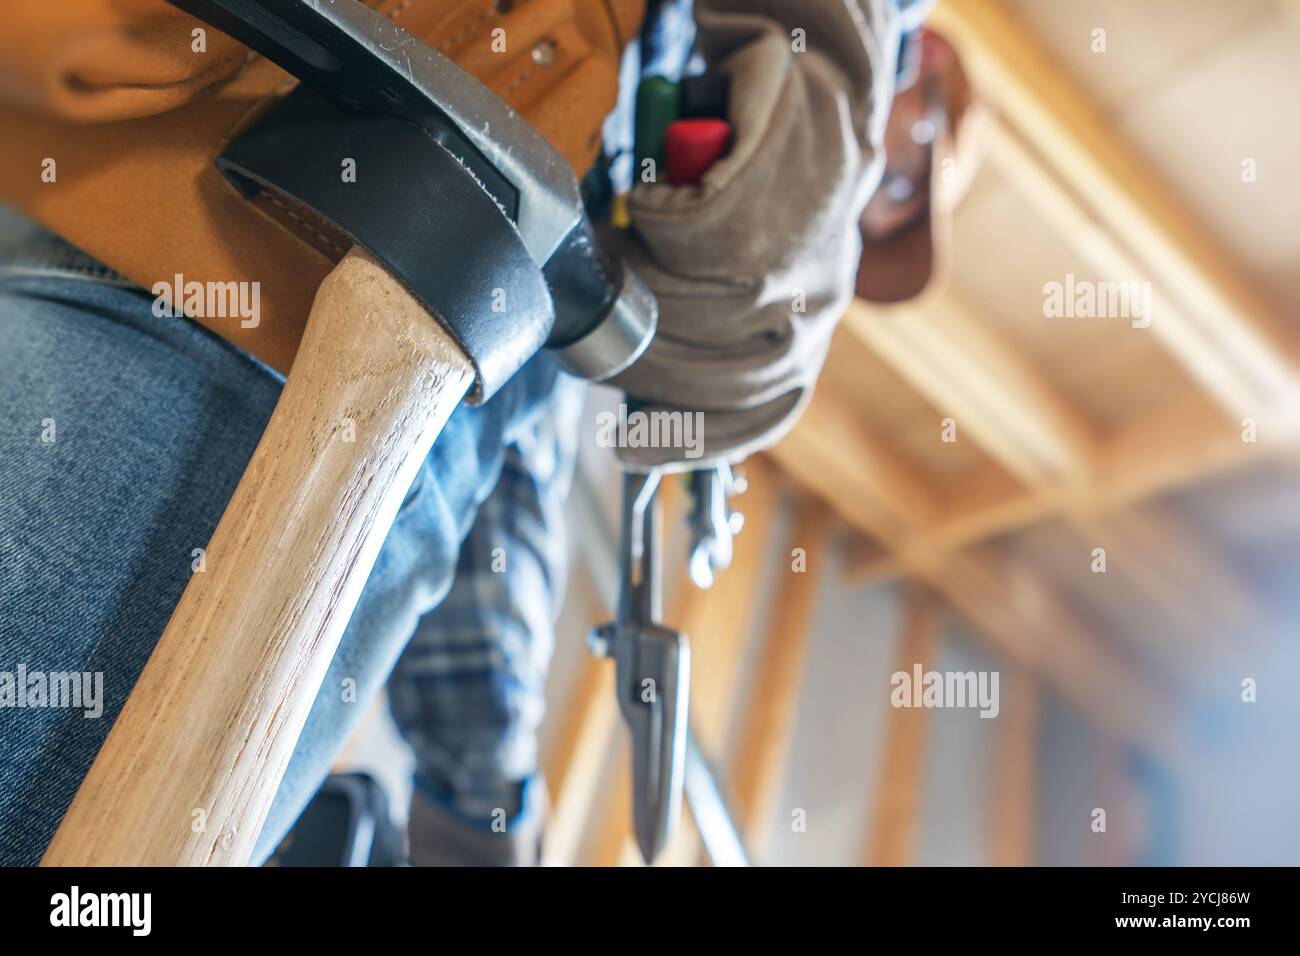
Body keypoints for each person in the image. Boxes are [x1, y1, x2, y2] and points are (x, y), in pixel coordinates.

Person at [0, 0, 960, 865]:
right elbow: (731, 325)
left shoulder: (640, 113)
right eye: (904, 153)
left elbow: (514, 503)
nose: (886, 177)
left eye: (900, 191)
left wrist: (484, 802)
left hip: (135, 220)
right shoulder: (726, 81)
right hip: (276, 317)